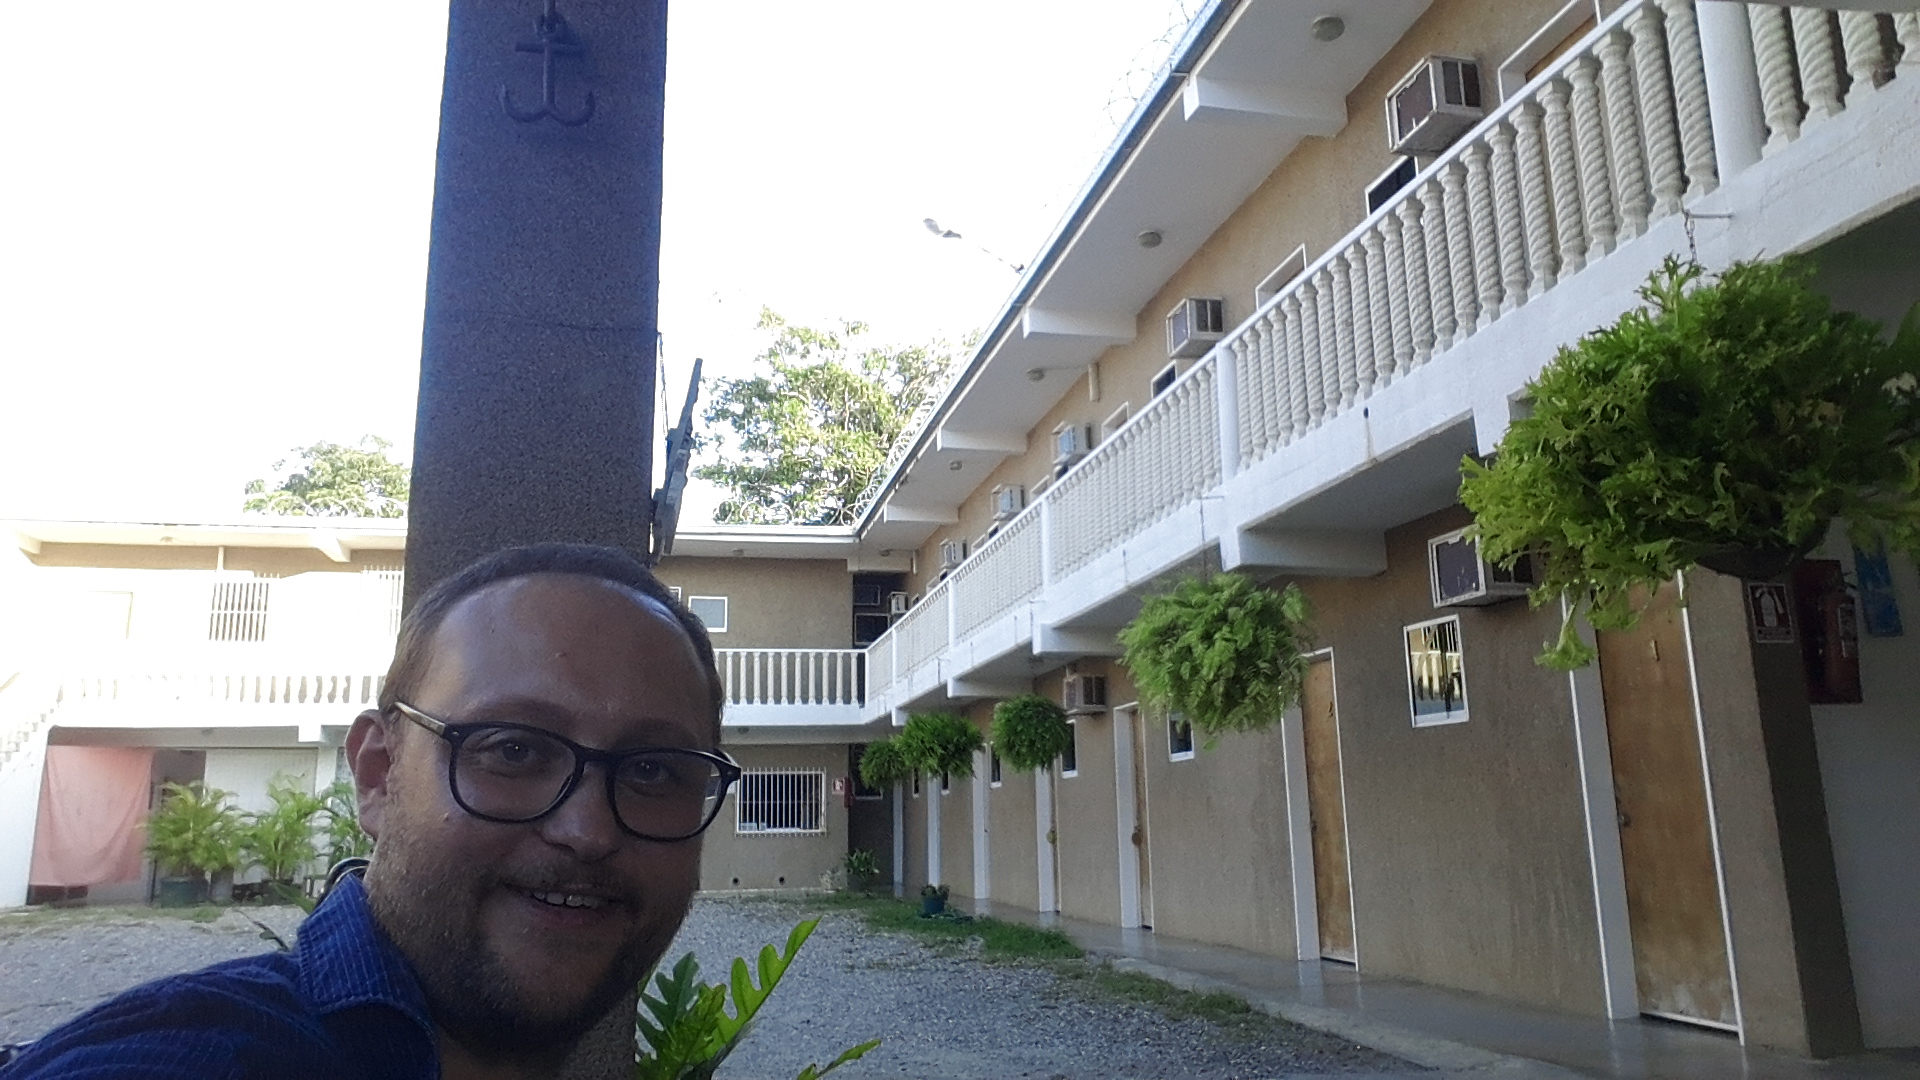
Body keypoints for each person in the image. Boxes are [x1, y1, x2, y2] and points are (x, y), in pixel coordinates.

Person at [2, 543, 740, 1080]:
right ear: (379, 774)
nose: (587, 830)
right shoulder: (197, 1060)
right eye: (512, 751)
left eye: (652, 770)